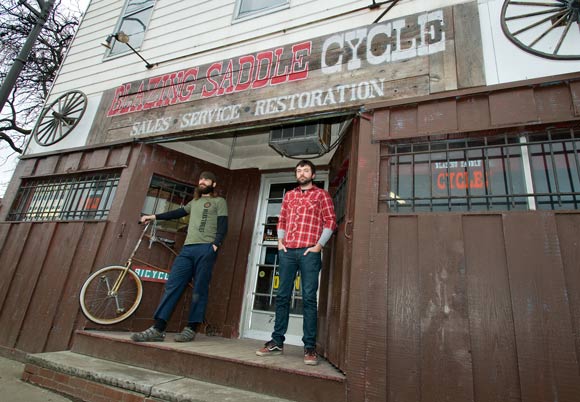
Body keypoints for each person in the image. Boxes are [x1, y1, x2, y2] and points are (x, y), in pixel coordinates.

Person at [131, 171, 228, 343]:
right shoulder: (194, 202)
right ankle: (158, 328)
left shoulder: (219, 202)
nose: (202, 181)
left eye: (206, 179)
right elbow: (176, 213)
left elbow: (223, 224)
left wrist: (215, 245)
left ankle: (191, 327)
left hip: (206, 249)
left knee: (199, 288)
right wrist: (153, 217)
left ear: (213, 184)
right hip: (187, 250)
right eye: (201, 178)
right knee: (173, 285)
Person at [256, 160, 336, 365]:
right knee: (282, 295)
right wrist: (280, 242)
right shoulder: (289, 196)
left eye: (305, 170)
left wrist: (319, 245)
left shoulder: (321, 195)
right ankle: (276, 341)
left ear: (313, 174)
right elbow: (281, 219)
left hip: (309, 251)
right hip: (288, 251)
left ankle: (309, 347)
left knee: (309, 298)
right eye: (299, 170)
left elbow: (331, 220)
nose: (301, 173)